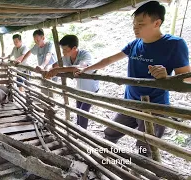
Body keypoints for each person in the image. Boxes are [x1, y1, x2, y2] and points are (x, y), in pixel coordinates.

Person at [75, 1, 190, 157]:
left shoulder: (174, 44)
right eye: (134, 24)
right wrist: (86, 70)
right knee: (110, 133)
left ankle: (140, 172)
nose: (135, 28)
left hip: (154, 107)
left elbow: (187, 79)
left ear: (157, 23)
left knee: (145, 148)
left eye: (141, 24)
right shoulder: (135, 44)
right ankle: (109, 162)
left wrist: (167, 77)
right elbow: (108, 60)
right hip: (130, 102)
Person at [44, 35, 99, 129]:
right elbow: (54, 65)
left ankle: (83, 134)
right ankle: (79, 131)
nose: (63, 52)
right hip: (80, 89)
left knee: (83, 112)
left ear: (74, 48)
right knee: (78, 111)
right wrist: (48, 69)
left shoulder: (85, 54)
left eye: (65, 49)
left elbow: (81, 68)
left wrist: (59, 70)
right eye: (62, 50)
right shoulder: (66, 57)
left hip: (91, 90)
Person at [16, 29, 58, 97]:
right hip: (43, 71)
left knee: (50, 89)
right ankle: (45, 104)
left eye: (37, 40)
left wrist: (42, 65)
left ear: (43, 38)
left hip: (52, 71)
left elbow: (48, 55)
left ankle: (49, 104)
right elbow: (29, 52)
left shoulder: (50, 44)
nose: (36, 42)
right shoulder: (37, 46)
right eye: (35, 40)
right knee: (44, 89)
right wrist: (21, 61)